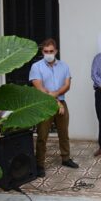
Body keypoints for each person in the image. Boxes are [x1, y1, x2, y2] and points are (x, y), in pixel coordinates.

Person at [29, 38, 79, 177]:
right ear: (42, 51)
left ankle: (66, 158)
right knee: (42, 136)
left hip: (62, 103)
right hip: (44, 105)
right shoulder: (36, 67)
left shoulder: (64, 66)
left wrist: (57, 97)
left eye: (51, 51)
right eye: (46, 51)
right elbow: (39, 88)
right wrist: (56, 102)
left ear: (56, 51)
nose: (49, 53)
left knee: (64, 134)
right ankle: (39, 164)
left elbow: (67, 85)